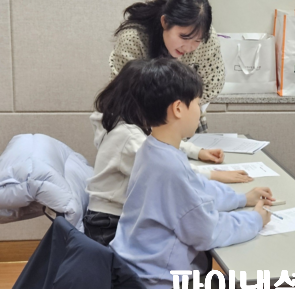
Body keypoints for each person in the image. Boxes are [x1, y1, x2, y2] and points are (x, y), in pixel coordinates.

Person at [110, 58, 273, 289]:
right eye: (197, 103)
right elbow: (206, 231)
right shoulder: (168, 165)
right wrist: (255, 220)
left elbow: (198, 189)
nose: (200, 110)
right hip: (161, 287)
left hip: (141, 273)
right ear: (178, 108)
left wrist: (242, 199)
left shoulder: (155, 149)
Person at [84, 59, 252, 246]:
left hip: (118, 218)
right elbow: (200, 223)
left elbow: (165, 142)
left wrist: (198, 152)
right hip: (109, 224)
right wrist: (217, 176)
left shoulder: (131, 127)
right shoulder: (128, 136)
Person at [109, 0, 224, 132]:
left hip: (184, 116)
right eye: (183, 37)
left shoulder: (207, 38)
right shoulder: (133, 38)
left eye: (196, 40)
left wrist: (181, 110)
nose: (188, 47)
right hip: (138, 119)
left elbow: (212, 84)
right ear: (165, 22)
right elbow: (124, 91)